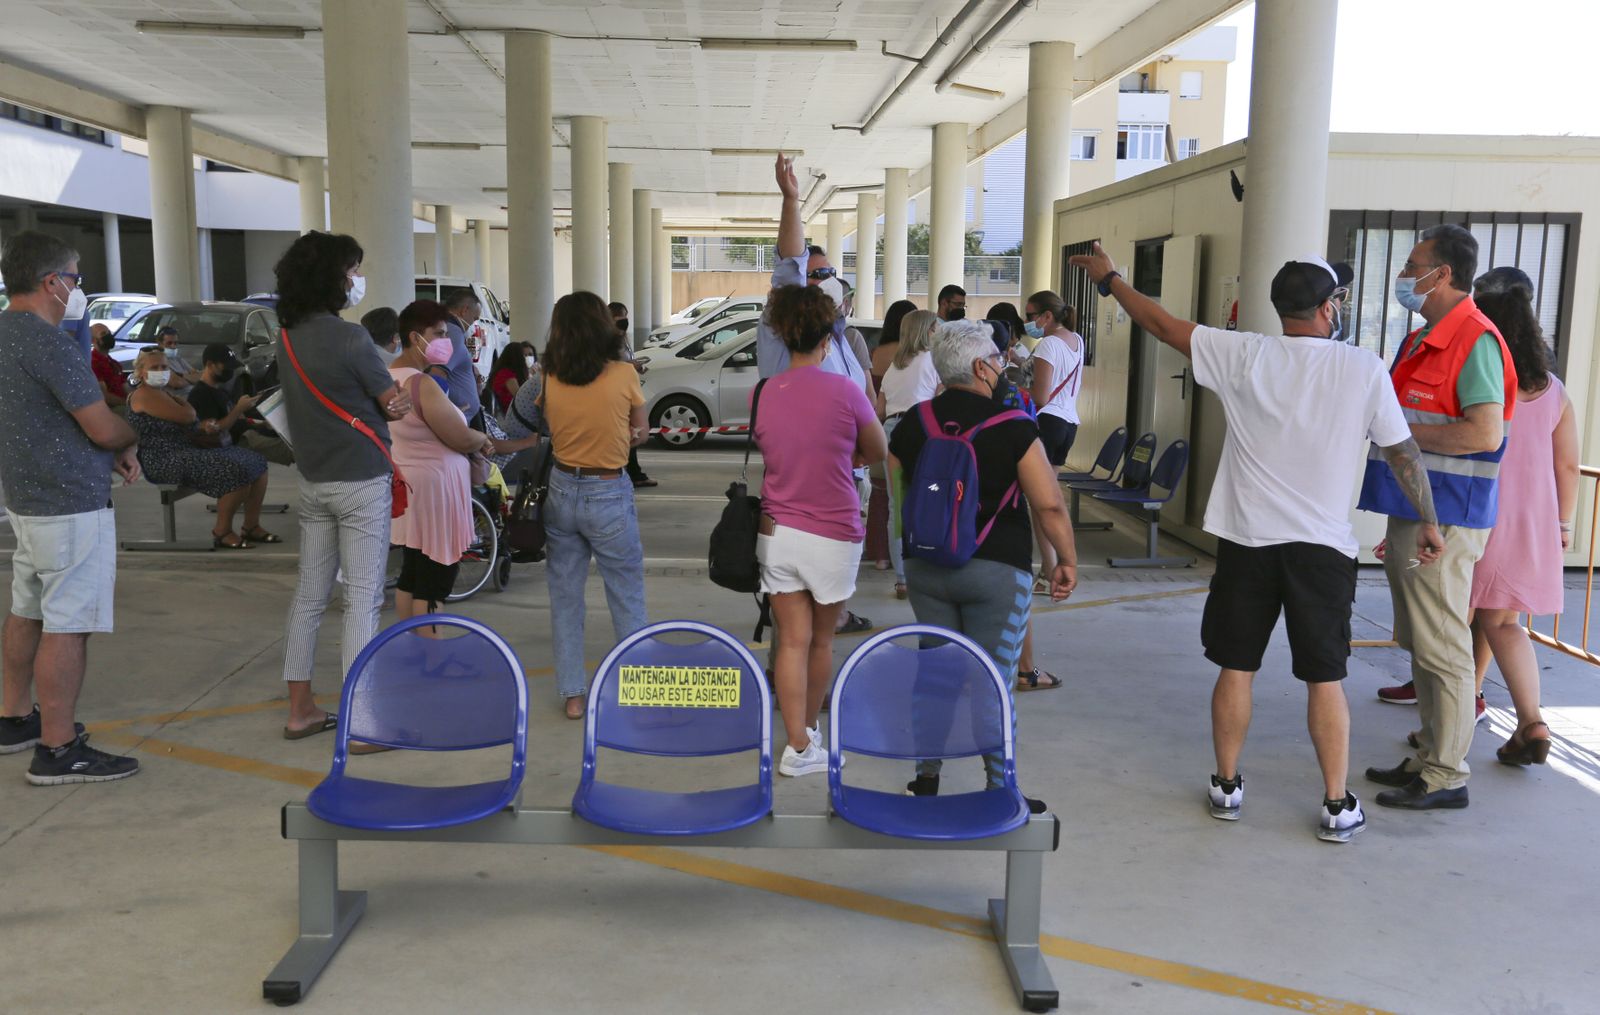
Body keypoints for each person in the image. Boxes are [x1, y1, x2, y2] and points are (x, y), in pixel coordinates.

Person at [1072, 244, 1448, 841]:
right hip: (1322, 549)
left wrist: (1111, 279)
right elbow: (1402, 452)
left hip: (1248, 542)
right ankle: (1335, 802)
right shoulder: (1363, 368)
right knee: (1325, 676)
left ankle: (1226, 787)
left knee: (1236, 667)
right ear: (1328, 309)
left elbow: (1160, 323)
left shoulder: (1241, 354)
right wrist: (1427, 518)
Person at [1359, 224, 1516, 811]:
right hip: (1419, 513)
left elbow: (1483, 432)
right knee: (1424, 643)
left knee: (1443, 645)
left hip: (1447, 519)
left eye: (1413, 264)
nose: (1405, 274)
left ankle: (1446, 773)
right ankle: (1429, 753)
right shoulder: (1427, 337)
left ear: (1442, 273)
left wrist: (1403, 434)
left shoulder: (1472, 339)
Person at [887, 320, 1077, 800]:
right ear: (979, 367)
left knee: (935, 673)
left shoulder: (916, 422)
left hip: (927, 568)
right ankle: (999, 788)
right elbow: (1049, 503)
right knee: (994, 679)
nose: (1002, 367)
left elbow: (897, 493)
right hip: (997, 570)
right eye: (997, 360)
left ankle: (926, 778)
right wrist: (1066, 559)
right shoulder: (1013, 426)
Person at [0, 231, 142, 783]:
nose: (78, 289)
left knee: (28, 609)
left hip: (28, 500)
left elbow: (43, 421)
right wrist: (129, 438)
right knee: (68, 624)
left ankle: (14, 717)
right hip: (70, 505)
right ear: (51, 282)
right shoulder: (49, 342)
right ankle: (58, 748)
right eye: (76, 278)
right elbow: (100, 425)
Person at [274, 231, 411, 741]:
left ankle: (300, 709)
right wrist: (399, 402)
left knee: (309, 597)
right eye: (352, 271)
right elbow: (390, 401)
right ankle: (362, 720)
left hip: (313, 481)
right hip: (360, 480)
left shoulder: (285, 335)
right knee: (361, 598)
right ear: (333, 277)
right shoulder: (353, 338)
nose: (356, 280)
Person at [756, 284, 887, 777]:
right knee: (821, 641)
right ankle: (808, 738)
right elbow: (875, 450)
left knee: (790, 640)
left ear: (783, 336)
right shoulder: (847, 391)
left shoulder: (765, 392)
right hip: (833, 530)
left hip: (778, 531)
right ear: (829, 337)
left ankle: (794, 745)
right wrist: (842, 456)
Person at [1448, 267, 1576, 766]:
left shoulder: (1475, 376)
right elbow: (1566, 463)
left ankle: (1448, 730)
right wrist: (1562, 525)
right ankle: (1531, 721)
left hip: (1474, 514)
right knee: (1502, 622)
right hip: (1532, 524)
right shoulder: (1553, 389)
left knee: (1453, 624)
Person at [756, 154, 873, 637]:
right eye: (816, 273)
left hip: (841, 487)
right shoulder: (784, 330)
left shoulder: (838, 335)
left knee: (817, 614)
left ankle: (821, 640)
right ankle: (800, 685)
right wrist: (791, 201)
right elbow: (789, 263)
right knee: (801, 626)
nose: (825, 280)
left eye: (828, 274)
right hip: (805, 495)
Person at [542, 291, 650, 719]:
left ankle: (573, 695)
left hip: (562, 488)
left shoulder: (549, 374)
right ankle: (637, 688)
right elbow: (639, 432)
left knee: (566, 597)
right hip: (607, 491)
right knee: (625, 593)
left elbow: (535, 422)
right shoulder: (624, 374)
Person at [387, 300, 495, 629]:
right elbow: (459, 437)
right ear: (415, 336)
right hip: (437, 491)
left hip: (410, 485)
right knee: (435, 579)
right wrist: (480, 438)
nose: (445, 342)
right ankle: (430, 657)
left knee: (413, 572)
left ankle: (412, 646)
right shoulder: (422, 384)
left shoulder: (387, 376)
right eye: (439, 333)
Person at [126, 348, 274, 549]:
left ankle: (251, 526)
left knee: (256, 462)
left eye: (164, 367)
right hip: (164, 459)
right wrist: (189, 412)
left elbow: (187, 422)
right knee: (236, 468)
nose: (161, 371)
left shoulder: (164, 394)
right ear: (141, 372)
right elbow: (187, 416)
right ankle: (222, 531)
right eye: (155, 367)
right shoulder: (144, 395)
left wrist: (202, 426)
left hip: (185, 450)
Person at [875, 309, 939, 599]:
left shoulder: (894, 367)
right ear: (926, 332)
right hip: (922, 430)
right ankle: (928, 571)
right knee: (929, 500)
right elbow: (941, 402)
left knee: (896, 505)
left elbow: (878, 411)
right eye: (936, 328)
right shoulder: (934, 361)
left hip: (891, 430)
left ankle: (902, 580)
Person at [188, 343, 294, 466]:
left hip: (246, 433)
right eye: (226, 367)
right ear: (210, 365)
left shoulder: (219, 390)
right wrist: (239, 409)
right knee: (293, 450)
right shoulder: (201, 394)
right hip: (238, 440)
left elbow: (236, 420)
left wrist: (261, 424)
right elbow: (215, 429)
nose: (230, 371)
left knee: (291, 437)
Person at [608, 301, 656, 489]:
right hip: (617, 394)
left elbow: (623, 363)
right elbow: (609, 367)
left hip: (628, 391)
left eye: (626, 320)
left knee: (633, 435)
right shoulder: (606, 342)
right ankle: (629, 472)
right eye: (620, 321)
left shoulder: (623, 341)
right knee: (629, 435)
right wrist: (630, 367)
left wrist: (636, 366)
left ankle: (633, 472)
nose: (624, 325)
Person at [441, 288, 484, 423]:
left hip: (462, 417)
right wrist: (442, 412)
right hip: (455, 421)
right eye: (474, 318)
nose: (473, 323)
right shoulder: (453, 333)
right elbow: (438, 374)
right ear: (464, 310)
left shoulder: (453, 331)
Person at [89, 323, 127, 409]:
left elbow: (125, 386)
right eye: (103, 334)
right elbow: (104, 396)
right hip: (111, 409)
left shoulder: (113, 363)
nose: (108, 336)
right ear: (93, 340)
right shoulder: (93, 363)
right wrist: (127, 404)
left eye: (108, 332)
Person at [486, 343, 528, 414]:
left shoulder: (502, 371)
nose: (525, 358)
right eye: (524, 355)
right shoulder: (507, 375)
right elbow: (521, 397)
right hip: (510, 414)